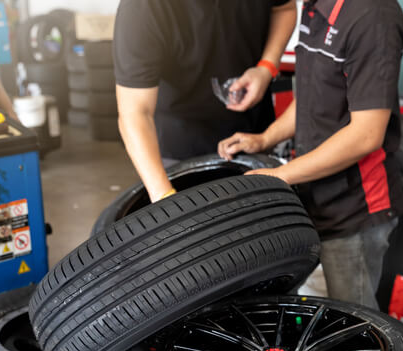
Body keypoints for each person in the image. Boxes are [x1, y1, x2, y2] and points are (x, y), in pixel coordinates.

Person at [218, 0, 403, 310]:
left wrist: (278, 176)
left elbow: (367, 134)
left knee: (353, 323)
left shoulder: (373, 16)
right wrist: (265, 138)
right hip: (315, 195)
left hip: (355, 208)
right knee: (320, 311)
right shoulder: (315, 7)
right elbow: (313, 94)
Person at [113, 0, 298, 202]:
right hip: (180, 145)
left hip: (253, 134)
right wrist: (164, 196)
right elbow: (134, 112)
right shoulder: (144, 7)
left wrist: (266, 66)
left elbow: (284, 9)